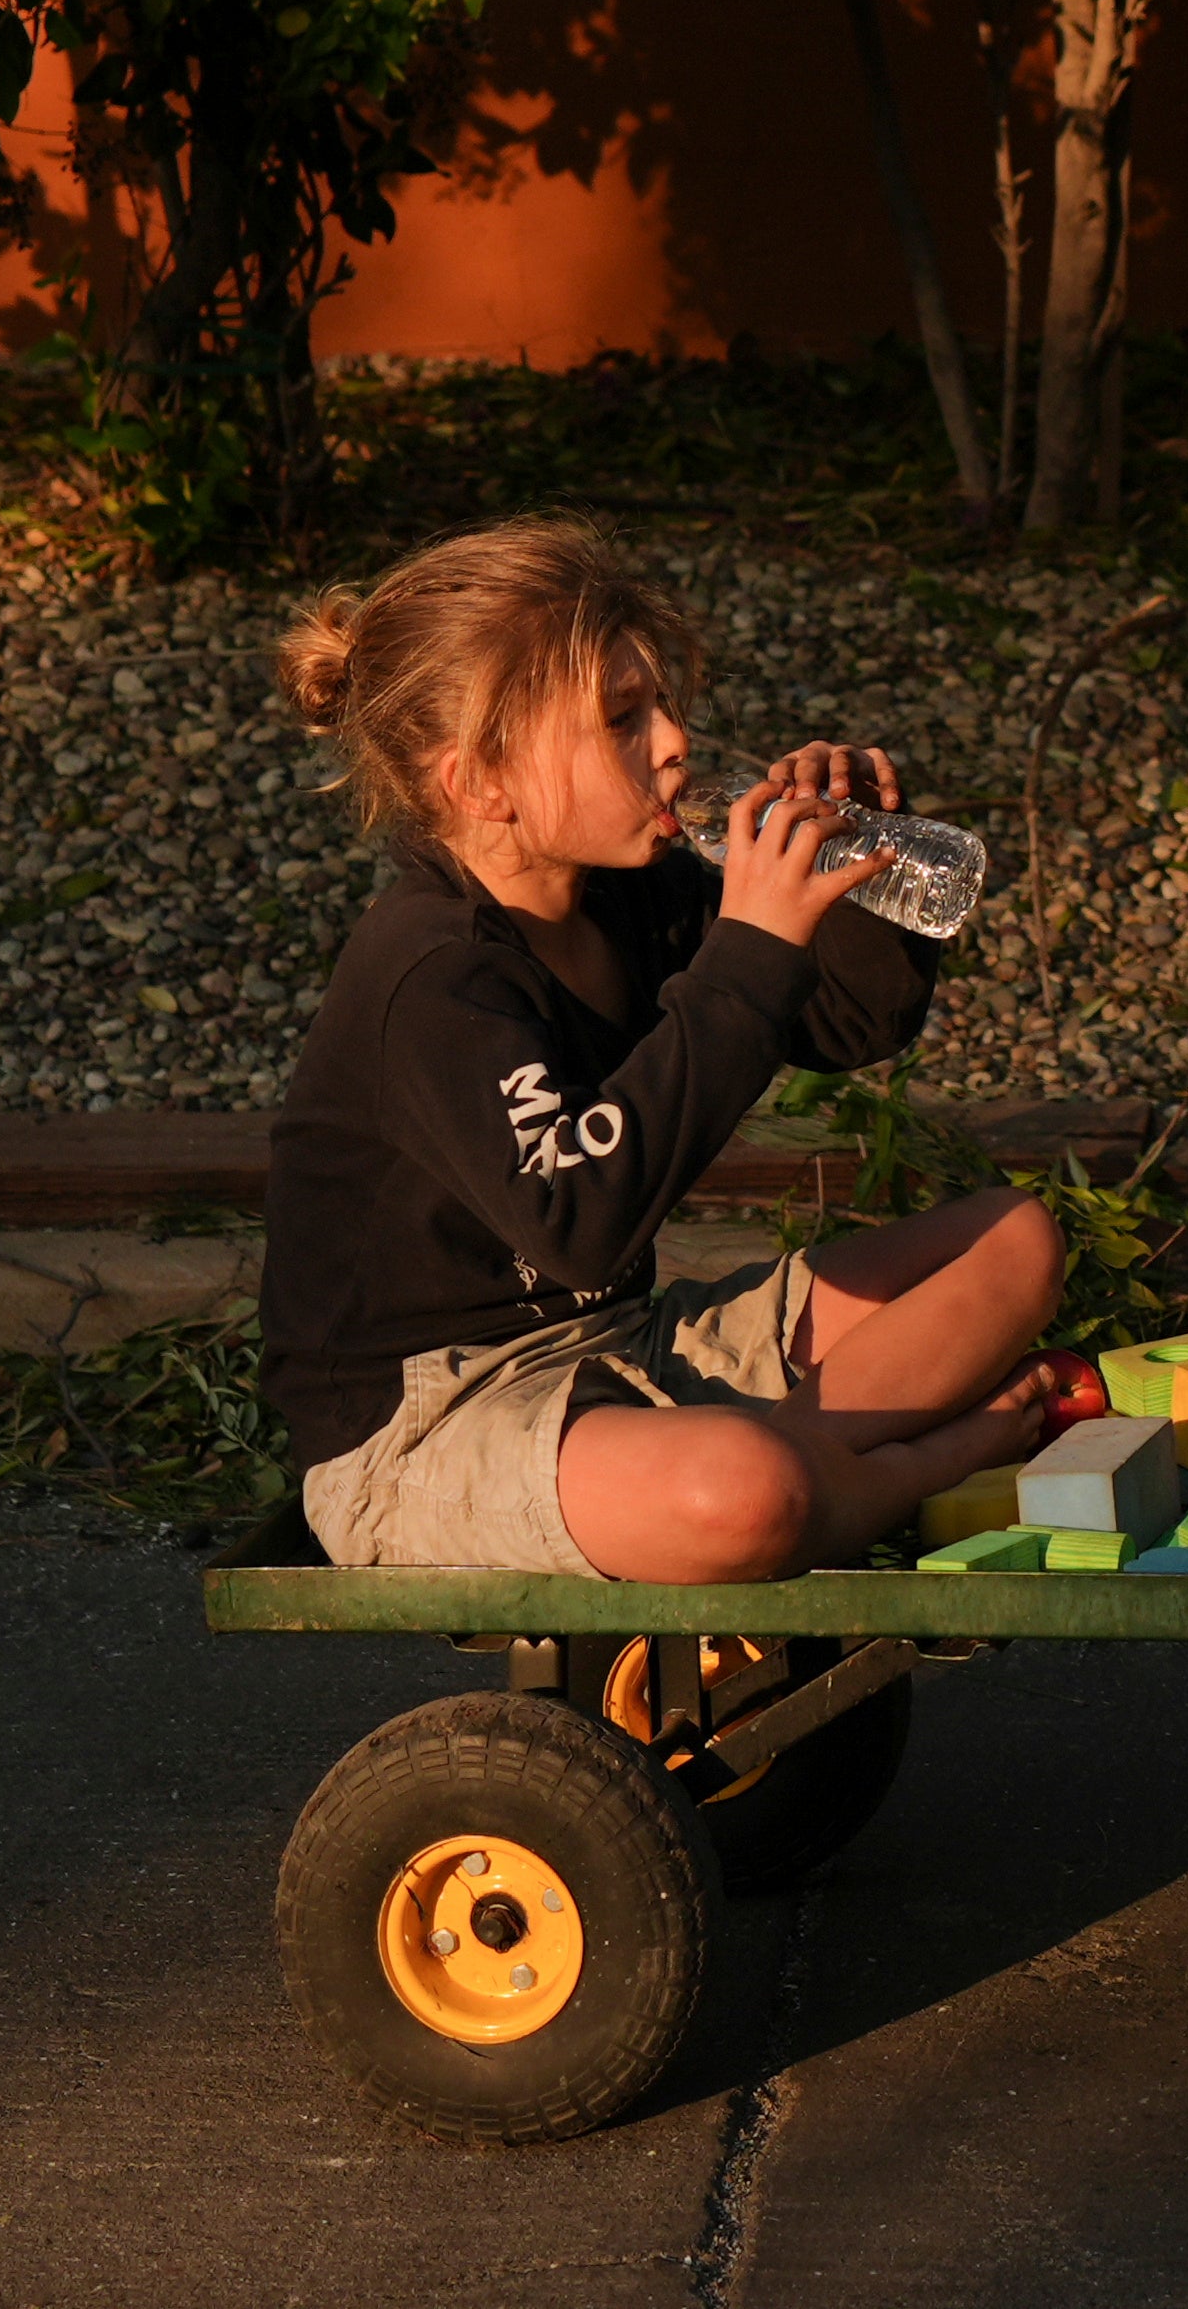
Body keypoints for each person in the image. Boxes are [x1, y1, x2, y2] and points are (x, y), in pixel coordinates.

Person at [259, 513, 1066, 1579]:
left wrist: (855, 888)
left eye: (662, 705)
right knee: (737, 1490)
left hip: (616, 1348)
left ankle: (812, 1463)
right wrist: (750, 949)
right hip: (431, 1422)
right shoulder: (434, 972)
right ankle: (899, 1469)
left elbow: (847, 1024)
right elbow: (578, 1223)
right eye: (622, 719)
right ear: (478, 783)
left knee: (1011, 1240)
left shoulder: (630, 896)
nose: (674, 743)